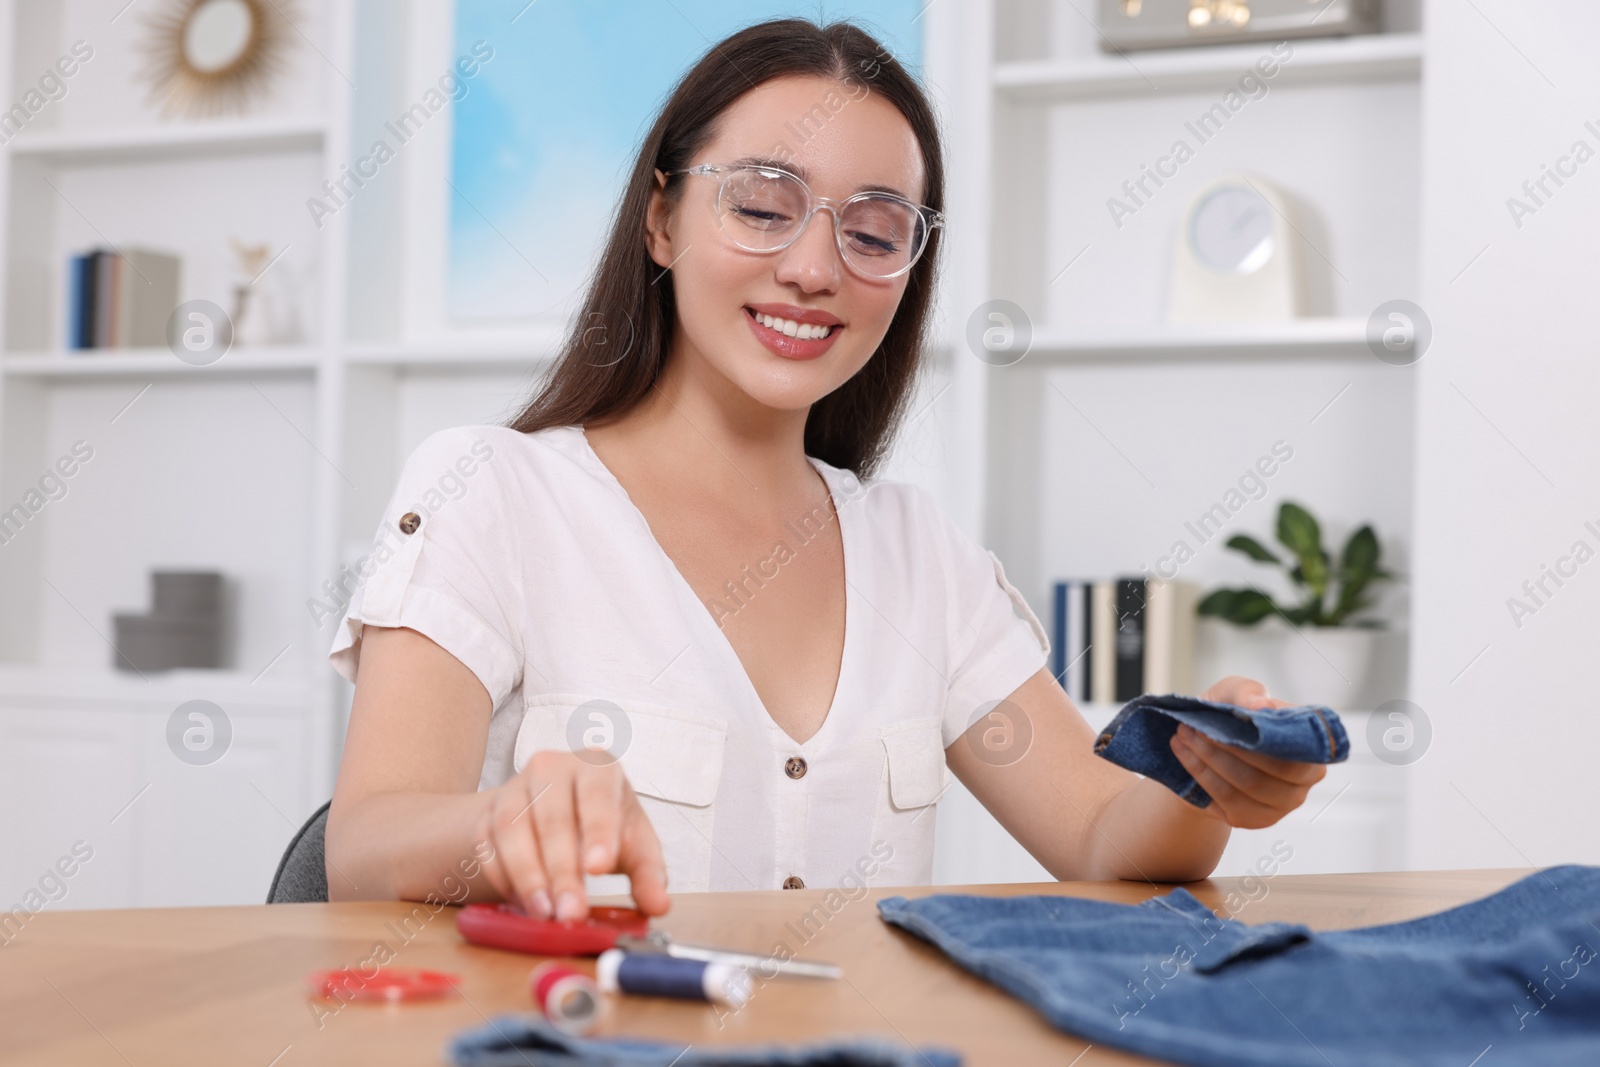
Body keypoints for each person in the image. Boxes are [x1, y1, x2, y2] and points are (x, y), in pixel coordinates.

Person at [324, 18, 1324, 921]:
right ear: (662, 219)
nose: (814, 266)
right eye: (762, 206)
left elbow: (1105, 837)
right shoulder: (492, 493)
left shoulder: (915, 551)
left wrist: (1207, 773)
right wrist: (503, 819)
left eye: (875, 231)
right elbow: (364, 848)